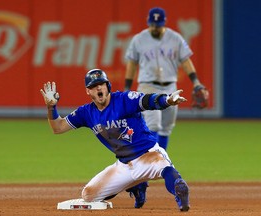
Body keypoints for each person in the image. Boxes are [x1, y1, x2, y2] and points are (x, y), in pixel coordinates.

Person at [40, 69, 190, 211]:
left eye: (101, 84)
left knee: (167, 170)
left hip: (148, 155)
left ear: (107, 86)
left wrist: (167, 100)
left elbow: (148, 100)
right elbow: (58, 127)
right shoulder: (86, 112)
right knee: (88, 195)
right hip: (124, 165)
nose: (98, 88)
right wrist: (51, 107)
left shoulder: (124, 99)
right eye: (93, 86)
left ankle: (181, 196)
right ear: (88, 91)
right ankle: (137, 186)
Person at [124, 7, 207, 150]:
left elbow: (186, 61)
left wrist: (196, 82)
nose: (155, 27)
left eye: (158, 24)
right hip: (147, 85)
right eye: (153, 24)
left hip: (170, 87)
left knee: (166, 127)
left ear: (164, 22)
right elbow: (132, 64)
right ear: (148, 22)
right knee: (153, 124)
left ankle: (161, 160)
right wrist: (127, 88)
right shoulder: (138, 39)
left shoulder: (175, 38)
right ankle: (151, 160)